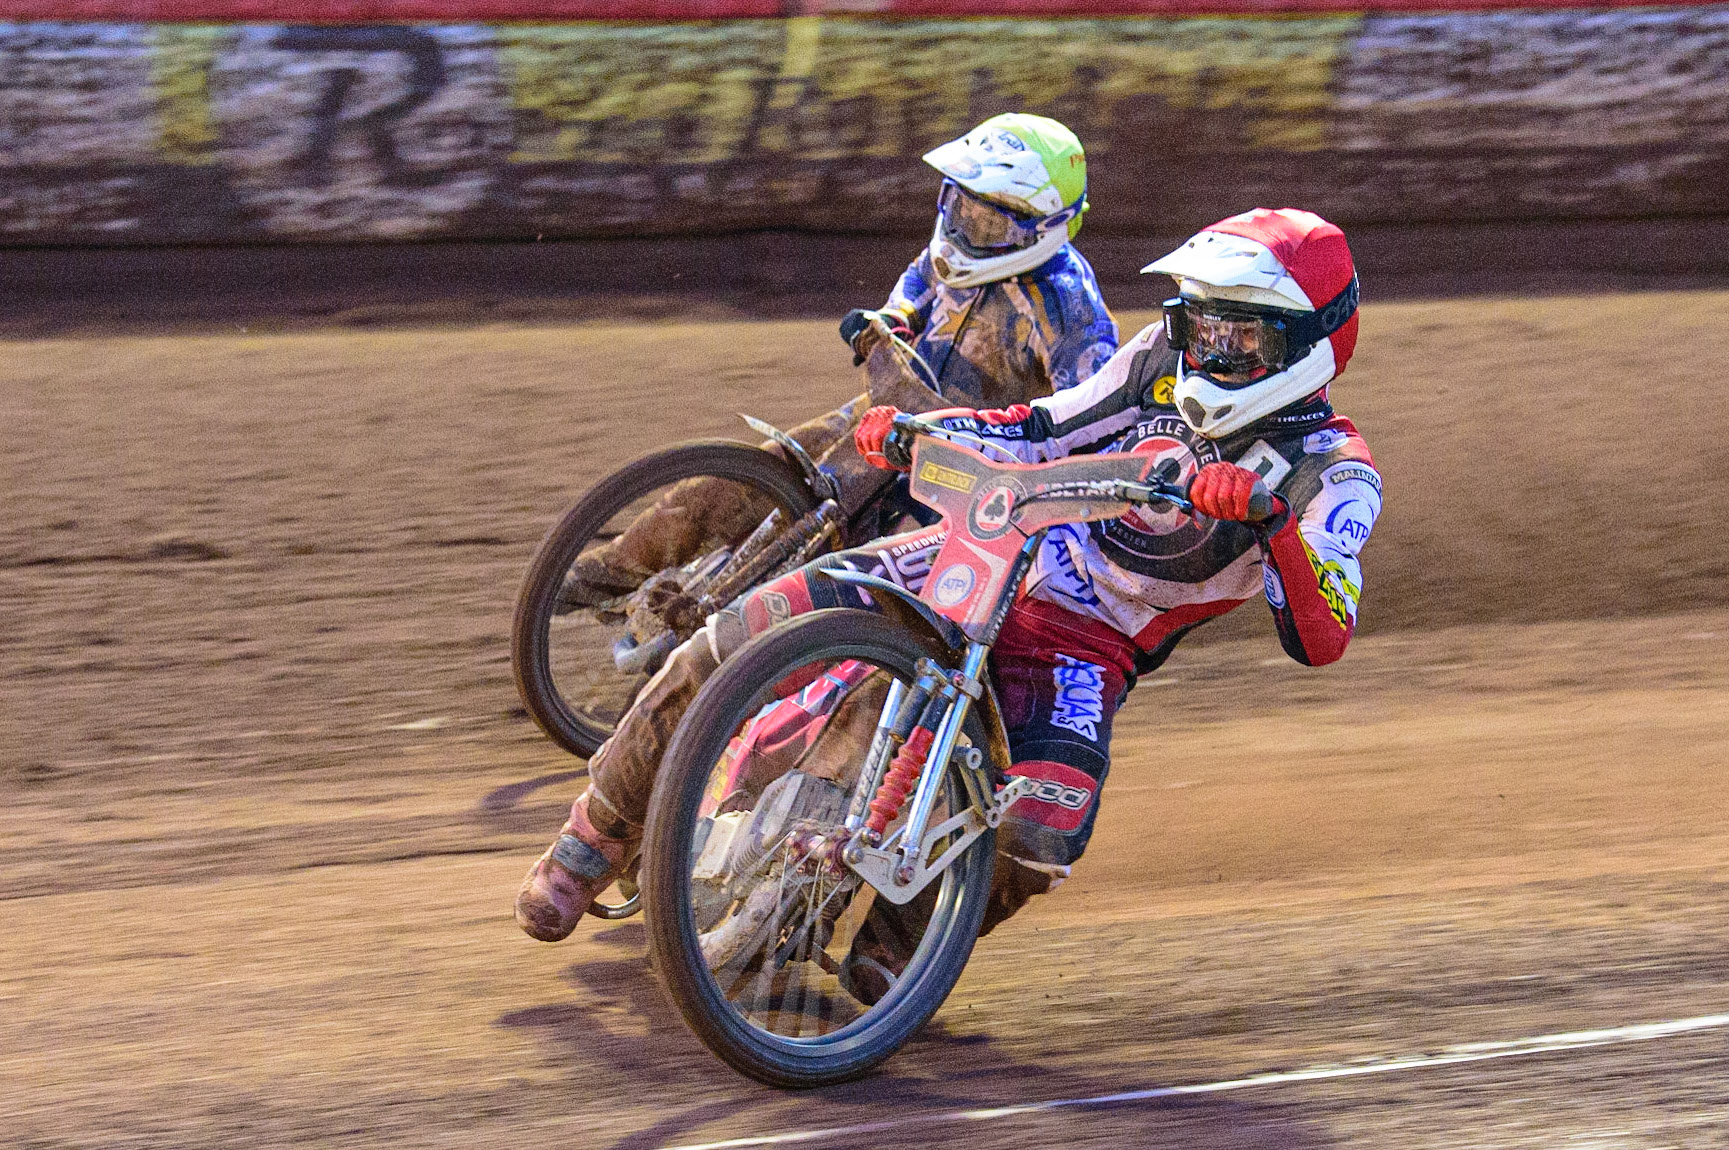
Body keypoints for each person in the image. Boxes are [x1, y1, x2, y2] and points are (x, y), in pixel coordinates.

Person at [516, 207, 1379, 953]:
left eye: (1239, 334)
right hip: (986, 553)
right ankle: (587, 842)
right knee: (731, 638)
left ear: (1308, 341)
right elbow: (1038, 425)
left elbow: (1321, 636)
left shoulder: (1332, 475)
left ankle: (898, 958)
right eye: (1202, 324)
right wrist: (921, 431)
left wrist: (1271, 524)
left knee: (1042, 833)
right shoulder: (1155, 360)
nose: (1210, 348)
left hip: (1085, 646)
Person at [562, 112, 1118, 604]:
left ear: (1040, 227)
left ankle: (761, 667)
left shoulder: (1070, 311)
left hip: (967, 472)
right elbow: (918, 284)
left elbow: (1093, 416)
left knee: (844, 575)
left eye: (987, 221)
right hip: (888, 415)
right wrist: (888, 321)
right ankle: (603, 572)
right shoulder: (951, 253)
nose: (963, 227)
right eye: (959, 205)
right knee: (755, 475)